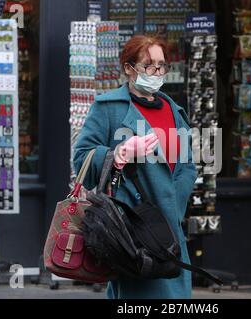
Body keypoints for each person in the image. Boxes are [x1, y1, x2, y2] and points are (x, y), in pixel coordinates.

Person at [73, 35, 197, 299]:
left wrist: (177, 200)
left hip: (170, 228)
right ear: (129, 69)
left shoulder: (174, 110)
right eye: (149, 65)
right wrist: (121, 152)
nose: (157, 72)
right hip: (133, 233)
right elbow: (81, 158)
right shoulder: (108, 108)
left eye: (162, 65)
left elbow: (187, 164)